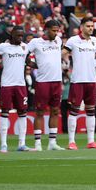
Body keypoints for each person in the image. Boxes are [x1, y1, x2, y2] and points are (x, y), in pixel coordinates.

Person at [25, 19, 65, 151]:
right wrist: (31, 64)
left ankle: (52, 142)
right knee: (40, 112)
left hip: (56, 81)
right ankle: (37, 143)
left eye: (57, 30)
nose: (56, 33)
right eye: (53, 30)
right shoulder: (35, 42)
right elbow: (24, 54)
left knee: (55, 110)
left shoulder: (58, 41)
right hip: (43, 82)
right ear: (46, 29)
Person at [63, 15, 96, 150]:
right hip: (77, 80)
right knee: (74, 111)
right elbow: (63, 53)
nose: (91, 29)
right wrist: (65, 65)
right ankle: (71, 141)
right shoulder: (73, 40)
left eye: (92, 26)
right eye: (88, 26)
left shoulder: (94, 41)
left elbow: (94, 59)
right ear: (81, 27)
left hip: (91, 80)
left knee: (91, 111)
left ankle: (91, 141)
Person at [0, 25, 31, 152]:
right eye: (18, 35)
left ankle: (22, 143)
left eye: (22, 35)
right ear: (12, 35)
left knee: (23, 112)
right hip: (7, 84)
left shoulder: (25, 47)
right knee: (5, 112)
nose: (20, 38)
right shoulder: (3, 47)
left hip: (21, 84)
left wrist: (42, 66)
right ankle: (3, 144)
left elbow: (29, 62)